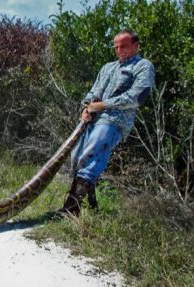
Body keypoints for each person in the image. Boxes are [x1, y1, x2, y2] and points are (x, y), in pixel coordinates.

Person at [59, 29, 155, 216]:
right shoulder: (107, 67)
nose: (119, 50)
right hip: (92, 119)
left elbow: (137, 97)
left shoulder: (143, 66)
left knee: (90, 156)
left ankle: (70, 209)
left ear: (136, 45)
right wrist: (86, 108)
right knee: (77, 159)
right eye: (116, 46)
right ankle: (92, 208)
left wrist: (102, 105)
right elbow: (93, 91)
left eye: (124, 46)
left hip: (113, 121)